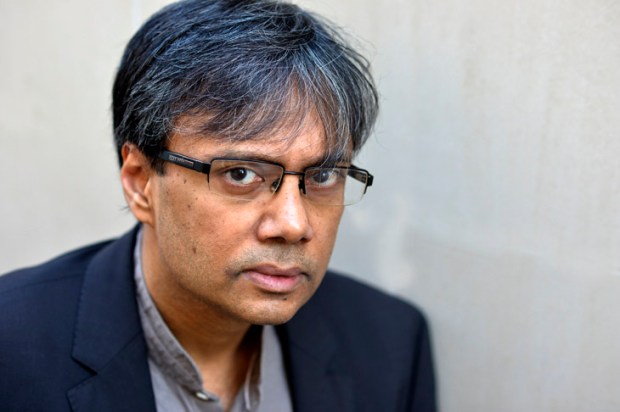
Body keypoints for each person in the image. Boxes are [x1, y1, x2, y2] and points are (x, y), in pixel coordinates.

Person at [0, 0, 436, 411]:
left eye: (322, 176)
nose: (293, 223)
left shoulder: (390, 345)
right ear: (140, 182)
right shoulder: (13, 349)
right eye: (241, 174)